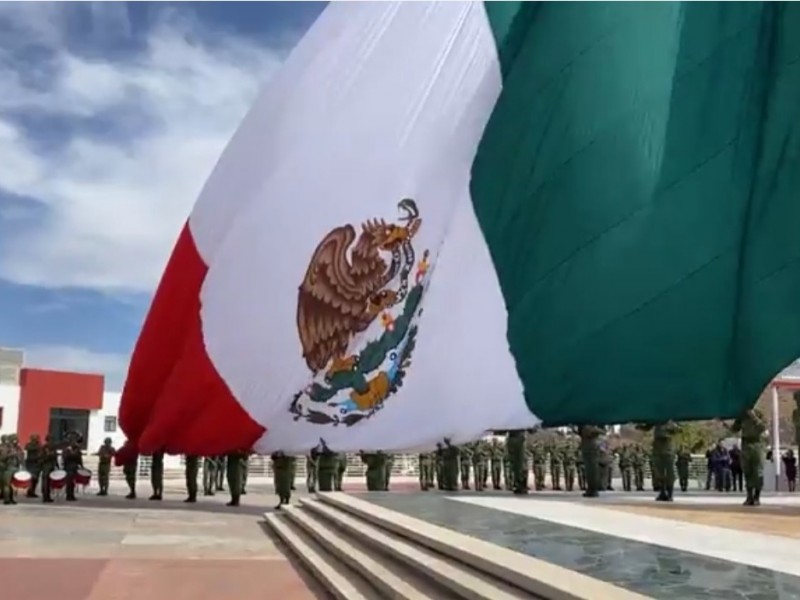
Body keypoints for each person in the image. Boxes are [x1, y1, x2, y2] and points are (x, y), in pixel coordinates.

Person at [731, 408, 766, 506]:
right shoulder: (741, 416)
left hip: (757, 445)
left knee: (758, 471)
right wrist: (723, 423)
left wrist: (754, 417)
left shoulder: (759, 413)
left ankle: (757, 497)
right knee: (747, 471)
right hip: (746, 445)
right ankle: (749, 496)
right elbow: (734, 429)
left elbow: (763, 427)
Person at [62, 436, 83, 502]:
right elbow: (65, 457)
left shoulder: (76, 450)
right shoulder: (67, 450)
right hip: (69, 467)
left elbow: (79, 458)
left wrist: (81, 465)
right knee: (69, 482)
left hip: (73, 467)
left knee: (72, 482)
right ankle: (69, 495)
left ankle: (71, 495)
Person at [39, 435, 59, 503]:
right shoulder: (44, 448)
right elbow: (41, 458)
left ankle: (48, 496)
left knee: (49, 482)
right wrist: (48, 455)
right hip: (46, 466)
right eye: (51, 440)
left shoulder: (53, 447)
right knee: (45, 481)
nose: (52, 441)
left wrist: (57, 465)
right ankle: (45, 496)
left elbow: (55, 457)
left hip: (51, 465)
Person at [24, 434, 42, 499]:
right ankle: (30, 491)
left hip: (33, 463)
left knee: (34, 479)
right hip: (32, 463)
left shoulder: (31, 445)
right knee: (33, 478)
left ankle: (32, 491)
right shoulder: (34, 446)